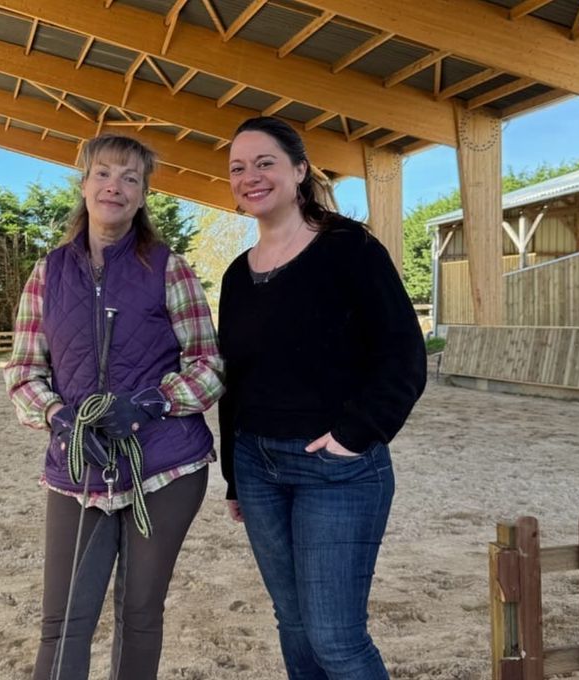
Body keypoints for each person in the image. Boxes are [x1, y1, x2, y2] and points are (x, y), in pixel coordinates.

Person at [4, 134, 224, 680]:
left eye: (130, 178)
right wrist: (59, 419)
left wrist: (149, 404)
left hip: (164, 466)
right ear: (84, 185)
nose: (115, 186)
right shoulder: (47, 274)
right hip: (79, 468)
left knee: (140, 615)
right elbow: (23, 372)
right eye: (104, 173)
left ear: (144, 194)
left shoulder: (170, 269)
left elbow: (208, 366)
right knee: (64, 621)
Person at [217, 116, 427, 679]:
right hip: (257, 467)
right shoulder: (238, 274)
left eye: (265, 163)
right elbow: (236, 378)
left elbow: (404, 353)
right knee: (293, 623)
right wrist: (235, 476)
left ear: (300, 169)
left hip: (335, 468)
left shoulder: (349, 248)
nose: (251, 176)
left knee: (336, 638)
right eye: (238, 168)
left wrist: (355, 436)